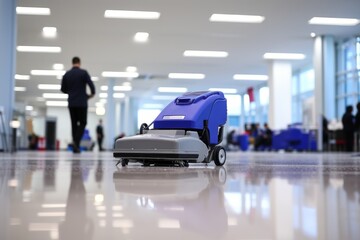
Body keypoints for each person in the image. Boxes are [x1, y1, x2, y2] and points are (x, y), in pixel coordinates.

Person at [61, 57, 95, 153]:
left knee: (74, 124)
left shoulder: (67, 74)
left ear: (72, 63)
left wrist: (71, 92)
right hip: (82, 102)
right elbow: (91, 84)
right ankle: (76, 142)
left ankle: (75, 145)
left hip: (71, 102)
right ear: (79, 63)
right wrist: (91, 94)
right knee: (83, 122)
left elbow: (63, 89)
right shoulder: (83, 73)